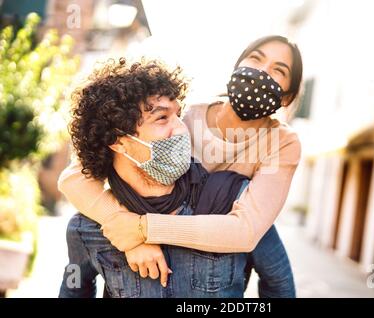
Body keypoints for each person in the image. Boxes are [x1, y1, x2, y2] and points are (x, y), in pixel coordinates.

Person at [58, 35, 303, 297]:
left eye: (278, 70)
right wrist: (123, 228)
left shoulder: (278, 146)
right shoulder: (184, 112)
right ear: (238, 64)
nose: (261, 71)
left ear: (287, 96)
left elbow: (247, 232)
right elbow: (75, 176)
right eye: (256, 58)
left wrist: (143, 229)